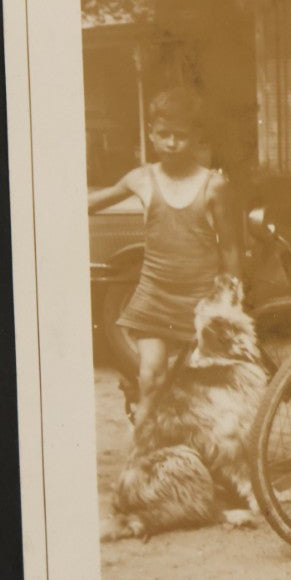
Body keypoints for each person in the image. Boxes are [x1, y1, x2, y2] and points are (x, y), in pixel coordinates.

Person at [88, 88, 243, 430]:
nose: (172, 143)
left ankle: (201, 460)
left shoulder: (213, 185)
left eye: (181, 136)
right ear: (151, 134)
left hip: (201, 300)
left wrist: (232, 300)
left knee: (207, 394)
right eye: (164, 135)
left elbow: (231, 247)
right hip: (154, 296)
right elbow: (90, 203)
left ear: (196, 136)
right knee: (152, 378)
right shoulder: (141, 178)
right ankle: (142, 462)